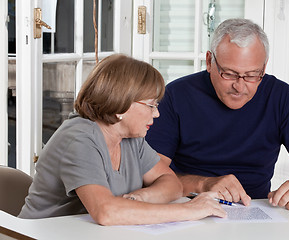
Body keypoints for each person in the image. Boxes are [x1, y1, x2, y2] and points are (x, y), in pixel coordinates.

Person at [146, 18, 289, 211]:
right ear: (210, 62)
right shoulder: (176, 95)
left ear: (264, 66)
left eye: (252, 75)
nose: (239, 86)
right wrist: (203, 184)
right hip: (189, 205)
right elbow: (149, 173)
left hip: (256, 209)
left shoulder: (280, 97)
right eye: (229, 74)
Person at [18, 54, 226, 225]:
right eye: (151, 105)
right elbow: (106, 212)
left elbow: (172, 184)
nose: (156, 114)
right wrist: (188, 210)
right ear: (121, 106)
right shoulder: (79, 139)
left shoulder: (130, 138)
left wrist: (139, 198)